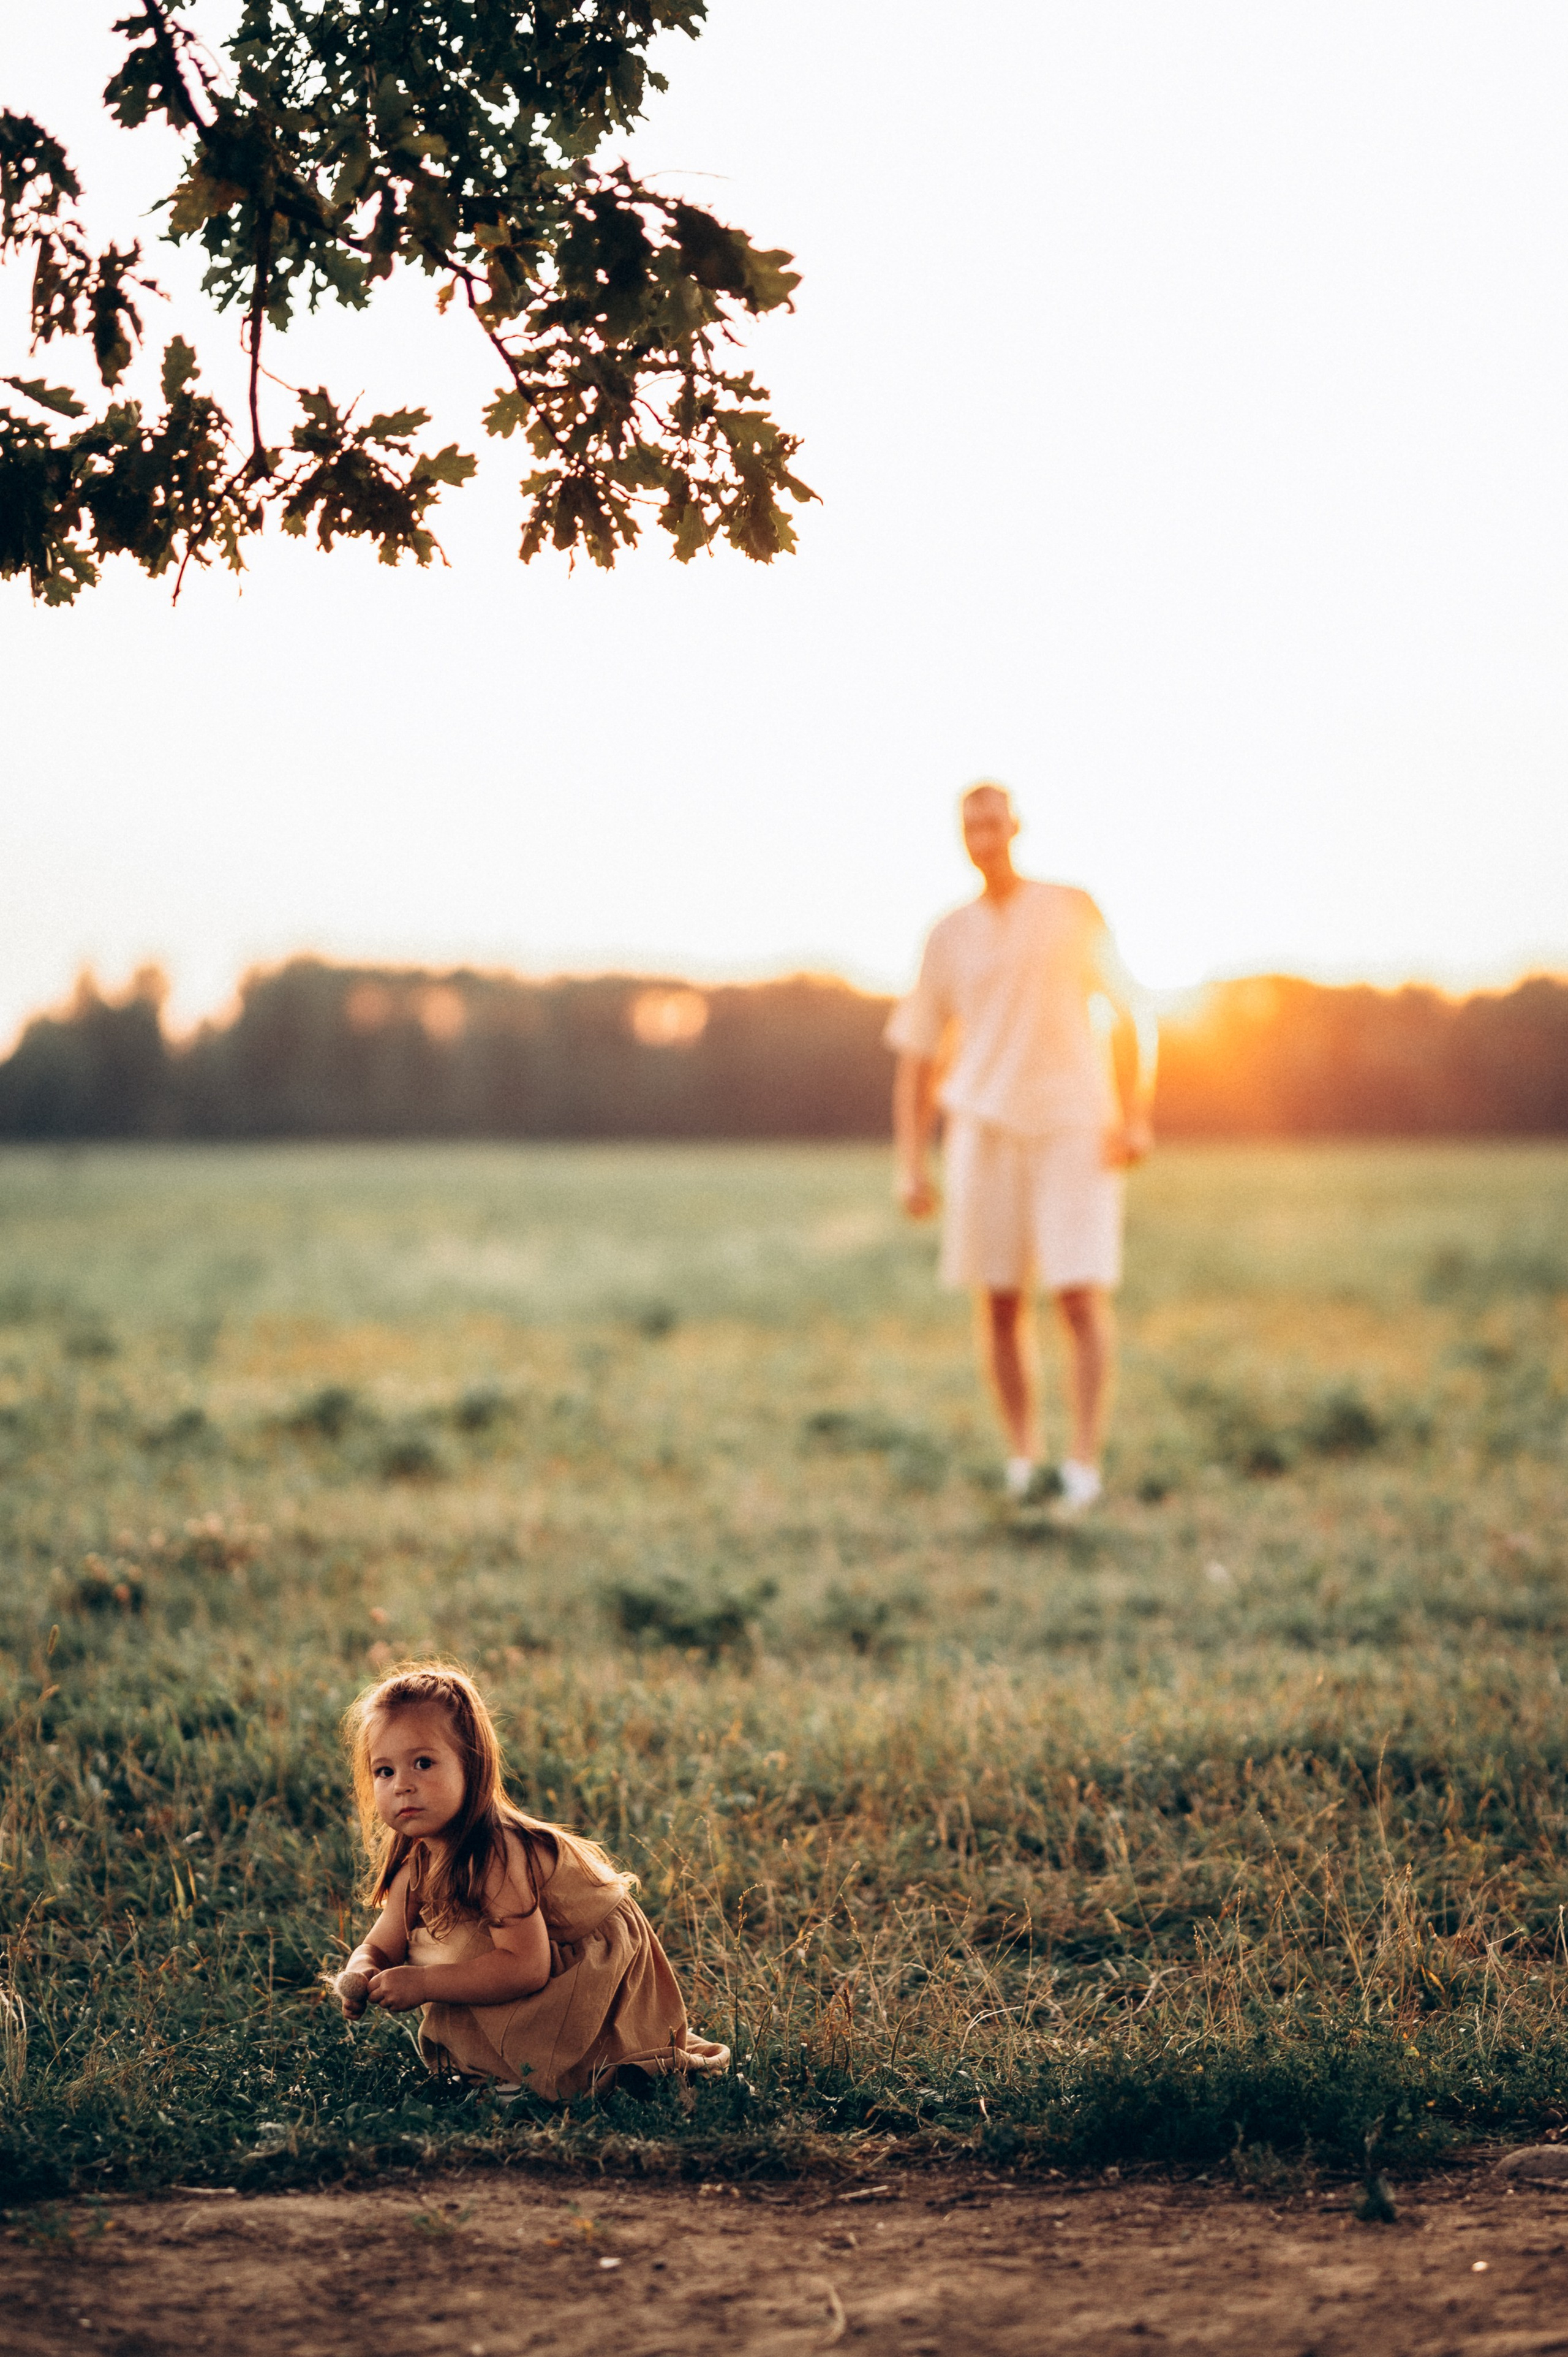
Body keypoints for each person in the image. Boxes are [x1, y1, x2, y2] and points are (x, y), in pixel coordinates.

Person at [887, 782, 1157, 1509]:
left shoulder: (1071, 908)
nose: (983, 836)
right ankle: (1021, 1459)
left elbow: (1132, 1011)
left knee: (1078, 1292)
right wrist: (911, 1163)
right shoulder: (946, 934)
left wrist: (1133, 1114)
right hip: (982, 1124)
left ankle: (1082, 1464)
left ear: (1016, 827)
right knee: (999, 1301)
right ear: (960, 836)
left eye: (992, 823)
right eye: (969, 826)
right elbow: (917, 1055)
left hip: (1075, 1120)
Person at [330, 1662, 729, 2099]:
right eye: (384, 1771)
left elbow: (526, 1967)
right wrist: (361, 1969)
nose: (402, 1785)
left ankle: (558, 2071)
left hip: (587, 1968)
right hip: (531, 1957)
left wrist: (423, 1983)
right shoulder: (417, 1863)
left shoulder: (497, 1854)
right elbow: (380, 1944)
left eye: (423, 1763)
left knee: (468, 1958)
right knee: (447, 1947)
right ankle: (497, 2067)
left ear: (472, 1766)